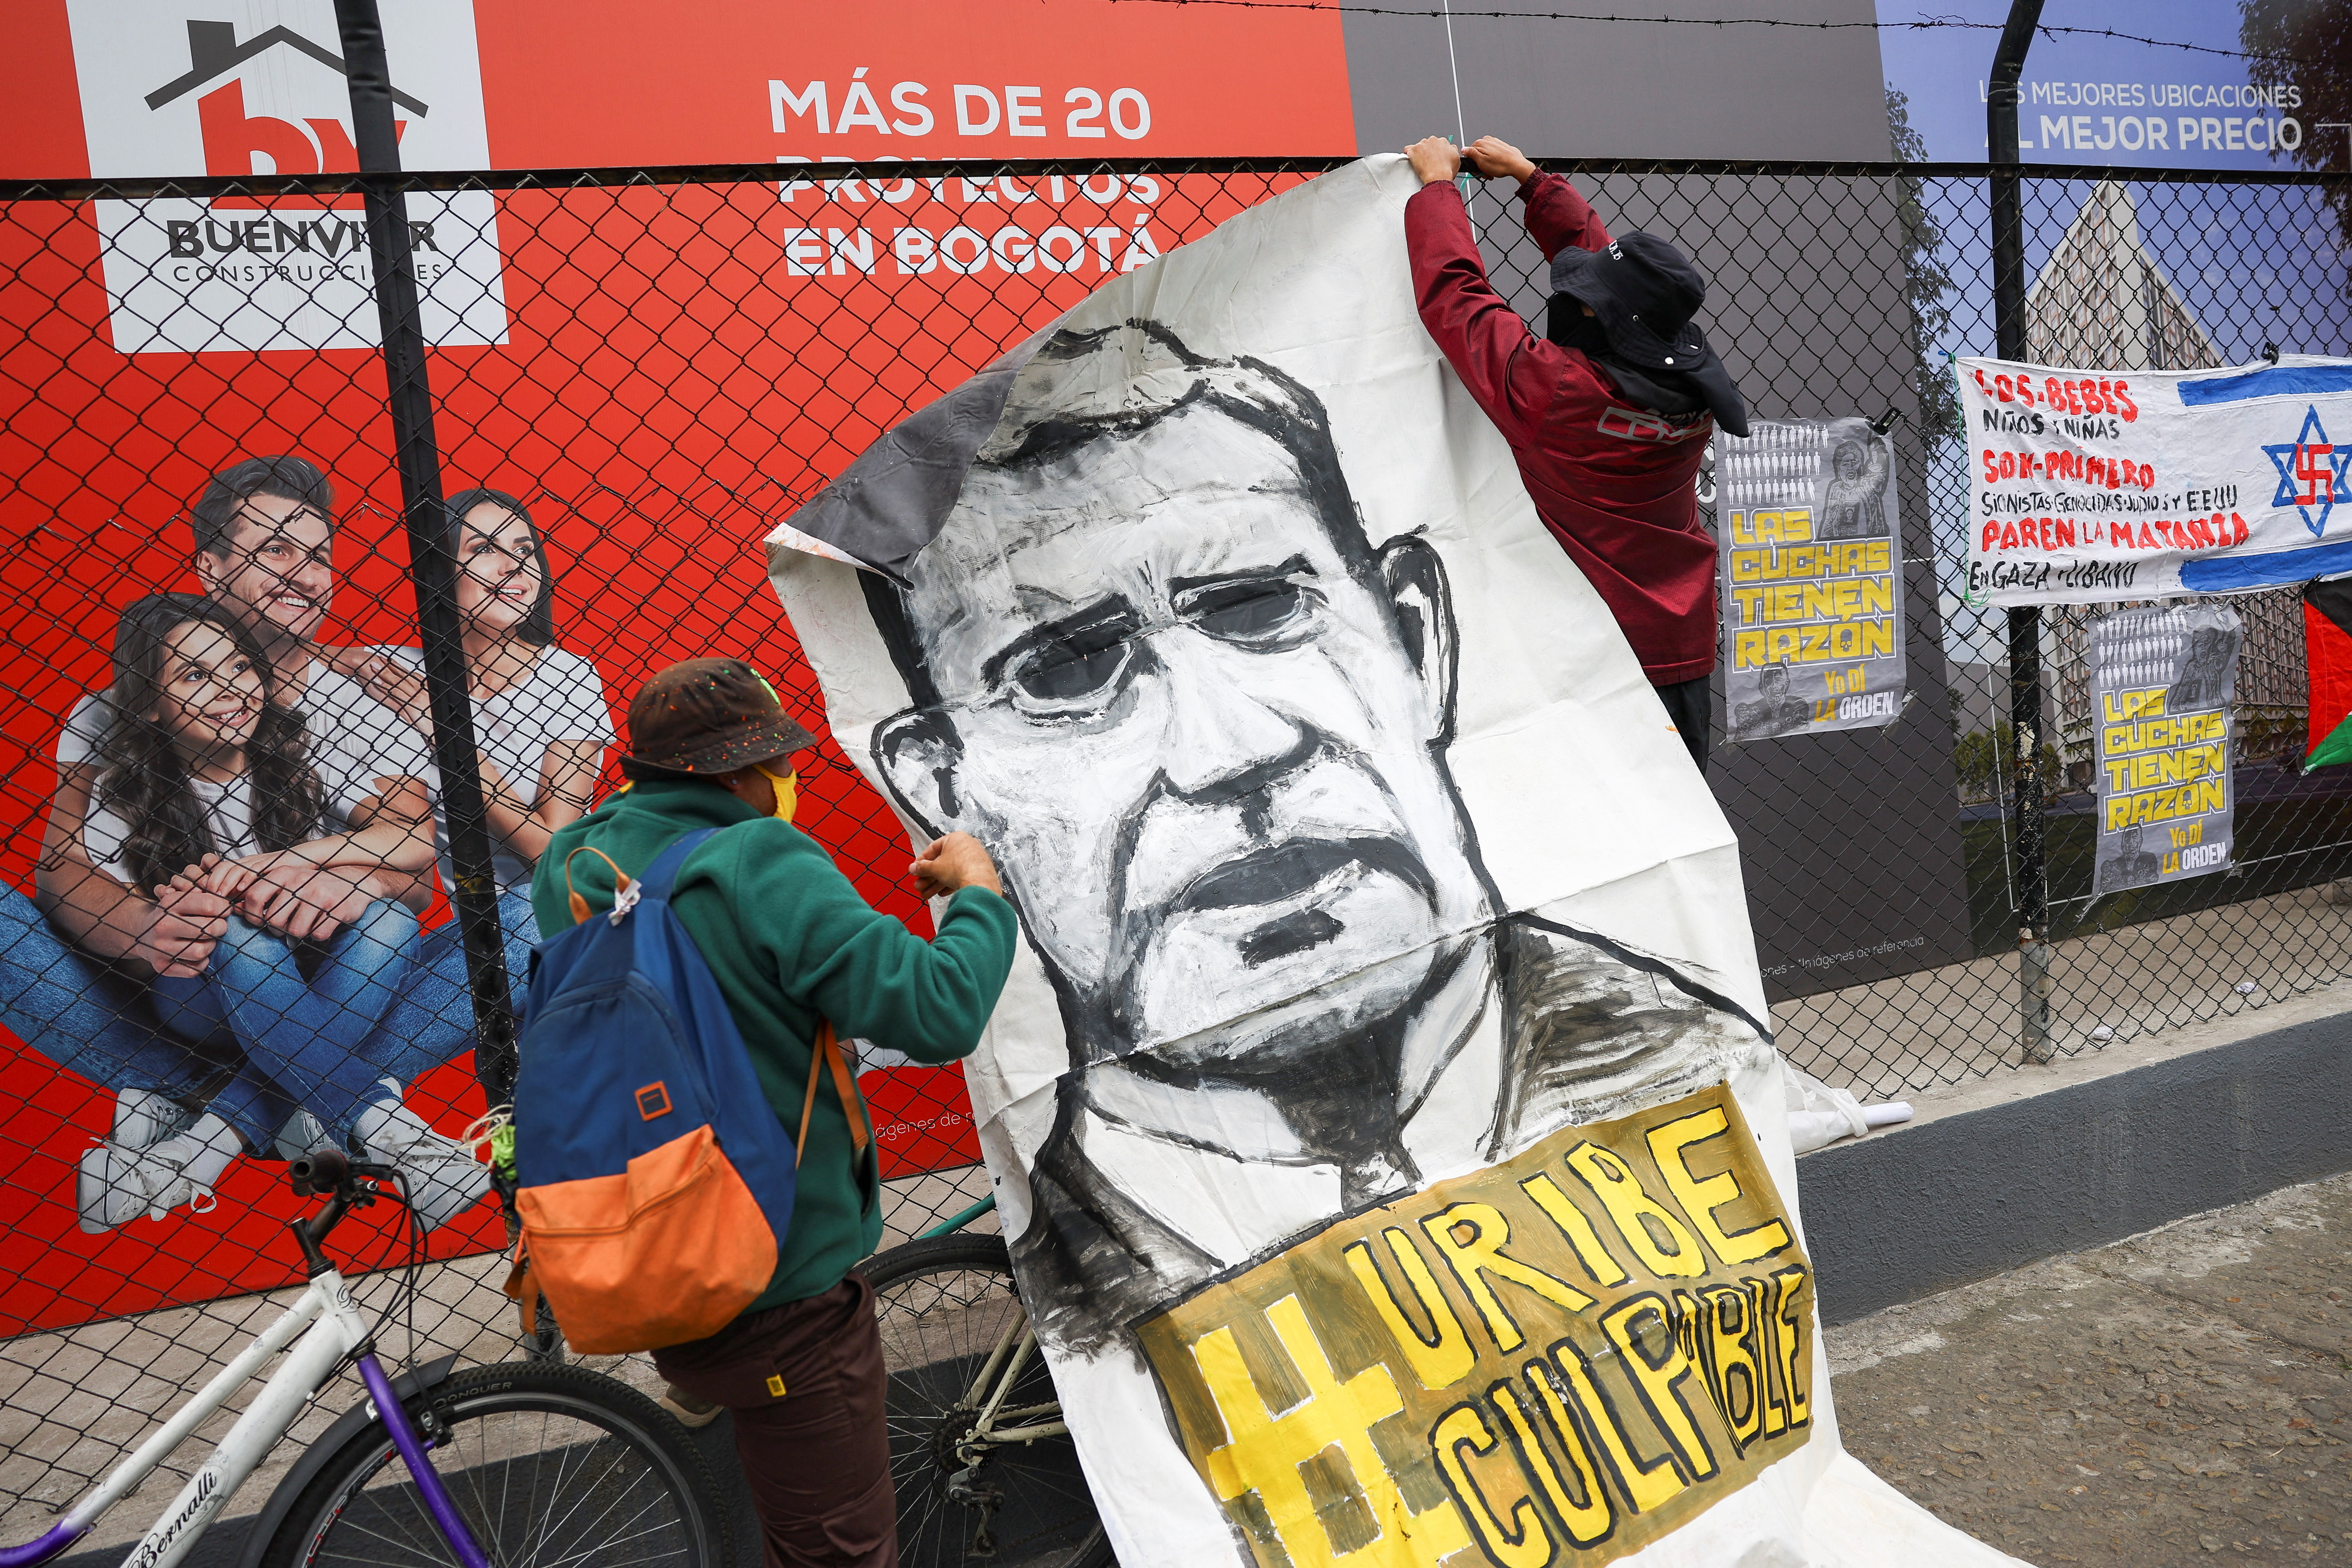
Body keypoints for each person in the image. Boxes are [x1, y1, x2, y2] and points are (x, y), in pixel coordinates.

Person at [852, 320, 1771, 1355]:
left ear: (1416, 641)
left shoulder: (1701, 1065)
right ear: (944, 783)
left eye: (1260, 608)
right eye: (1064, 672)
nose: (1228, 752)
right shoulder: (1079, 1308)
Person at [533, 658, 1017, 1568]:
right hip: (778, 1279)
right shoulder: (757, 857)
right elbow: (938, 1007)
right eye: (775, 765)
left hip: (658, 1242)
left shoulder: (571, 866)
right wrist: (976, 893)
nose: (784, 781)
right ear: (735, 773)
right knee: (840, 1552)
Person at [0, 455, 458, 1229]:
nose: (306, 575)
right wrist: (151, 928)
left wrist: (346, 880)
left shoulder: (365, 695)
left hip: (326, 966)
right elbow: (63, 871)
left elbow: (415, 876)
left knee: (500, 920)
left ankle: (207, 1122)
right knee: (228, 932)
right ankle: (348, 1103)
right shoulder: (111, 712)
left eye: (319, 556)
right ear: (211, 568)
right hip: (192, 980)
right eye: (276, 550)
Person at [75, 595, 433, 1229]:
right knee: (243, 935)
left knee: (392, 916)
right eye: (195, 675)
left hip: (304, 984)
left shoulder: (294, 755)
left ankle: (199, 1148)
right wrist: (178, 907)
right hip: (195, 993)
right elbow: (94, 902)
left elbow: (414, 844)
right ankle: (382, 1125)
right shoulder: (123, 787)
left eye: (241, 667)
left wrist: (290, 862)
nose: (231, 690)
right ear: (152, 703)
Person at [1402, 134, 1749, 774]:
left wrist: (1436, 191)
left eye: (1585, 298)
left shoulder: (1558, 393)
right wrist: (1534, 182)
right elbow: (1617, 281)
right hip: (1679, 649)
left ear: (1606, 319)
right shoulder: (1697, 386)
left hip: (1596, 663)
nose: (1575, 299)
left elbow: (1458, 300)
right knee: (1677, 830)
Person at [1733, 662, 1811, 739]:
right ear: (1762, 687)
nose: (1773, 687)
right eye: (1769, 682)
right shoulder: (1753, 711)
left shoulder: (1798, 705)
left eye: (1778, 681)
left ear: (1786, 684)